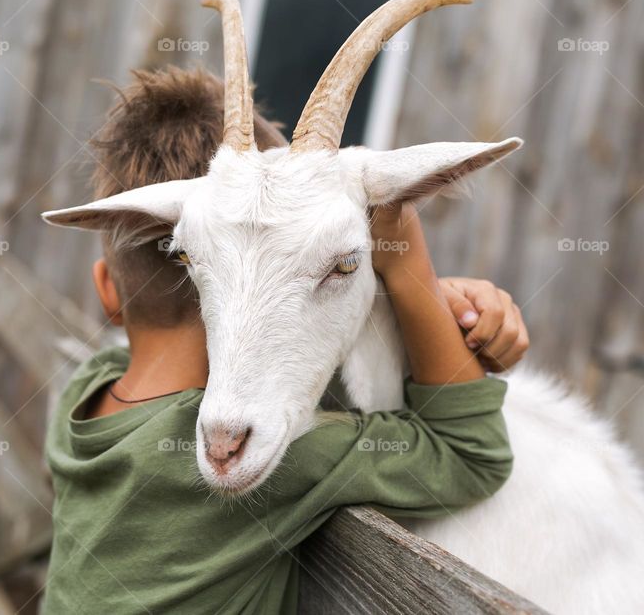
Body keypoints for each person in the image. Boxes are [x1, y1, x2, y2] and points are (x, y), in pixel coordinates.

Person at [42, 67, 527, 614]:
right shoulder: (281, 458)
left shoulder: (86, 391)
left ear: (107, 289)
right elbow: (471, 453)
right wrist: (409, 267)